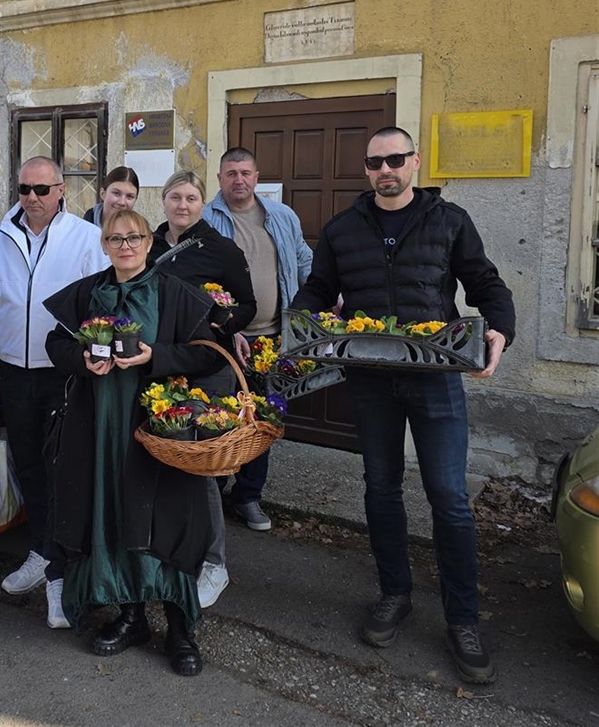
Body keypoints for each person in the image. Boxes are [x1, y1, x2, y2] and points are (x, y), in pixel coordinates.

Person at [291, 126, 515, 684]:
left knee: (449, 496)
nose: (385, 169)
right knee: (381, 487)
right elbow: (318, 290)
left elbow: (487, 285)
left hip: (435, 377)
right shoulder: (343, 230)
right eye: (374, 162)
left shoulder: (450, 221)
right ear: (365, 170)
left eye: (395, 159)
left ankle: (462, 619)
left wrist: (499, 333)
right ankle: (395, 593)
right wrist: (303, 324)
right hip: (370, 377)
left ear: (414, 162)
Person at [43, 209, 220, 676]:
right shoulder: (88, 293)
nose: (125, 245)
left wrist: (155, 356)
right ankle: (131, 615)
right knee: (114, 512)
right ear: (103, 244)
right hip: (98, 427)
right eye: (115, 238)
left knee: (170, 518)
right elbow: (54, 345)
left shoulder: (173, 293)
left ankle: (181, 628)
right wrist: (82, 358)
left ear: (149, 242)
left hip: (158, 427)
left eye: (134, 237)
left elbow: (206, 356)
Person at [0, 156, 108, 628]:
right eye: (25, 189)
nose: (32, 198)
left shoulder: (87, 239)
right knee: (28, 465)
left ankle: (59, 572)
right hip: (14, 372)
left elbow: (102, 308)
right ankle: (40, 552)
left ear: (61, 190)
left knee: (62, 470)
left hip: (63, 373)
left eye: (42, 190)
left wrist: (98, 360)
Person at [150, 171, 257, 609]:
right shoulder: (150, 246)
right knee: (163, 462)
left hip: (208, 371)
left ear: (201, 202)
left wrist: (225, 325)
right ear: (164, 200)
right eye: (175, 196)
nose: (182, 205)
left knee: (204, 467)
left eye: (191, 198)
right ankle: (167, 551)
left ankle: (214, 564)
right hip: (158, 366)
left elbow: (247, 304)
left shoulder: (221, 249)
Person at [203, 147, 313, 532]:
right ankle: (211, 493)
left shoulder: (281, 217)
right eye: (230, 173)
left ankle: (248, 496)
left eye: (245, 173)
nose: (238, 180)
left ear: (256, 176)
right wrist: (222, 327)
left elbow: (302, 261)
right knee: (219, 418)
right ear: (219, 179)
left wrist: (327, 294)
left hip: (270, 340)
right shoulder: (206, 219)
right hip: (223, 342)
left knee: (262, 422)